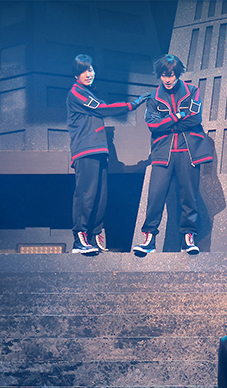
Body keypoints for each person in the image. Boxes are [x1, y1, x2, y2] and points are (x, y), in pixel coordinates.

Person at [67, 54, 149, 255]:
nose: (89, 74)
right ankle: (80, 238)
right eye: (84, 71)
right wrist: (132, 105)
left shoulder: (89, 93)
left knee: (100, 196)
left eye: (91, 69)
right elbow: (103, 109)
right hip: (86, 150)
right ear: (76, 75)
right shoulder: (76, 93)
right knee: (86, 194)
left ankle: (94, 236)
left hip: (99, 150)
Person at [133, 54, 213, 257]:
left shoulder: (192, 91)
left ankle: (189, 237)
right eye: (163, 75)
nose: (167, 79)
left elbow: (194, 118)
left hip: (188, 151)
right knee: (155, 196)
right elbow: (153, 125)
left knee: (189, 196)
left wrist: (168, 124)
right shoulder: (153, 98)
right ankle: (149, 239)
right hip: (163, 152)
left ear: (178, 74)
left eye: (171, 75)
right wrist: (177, 116)